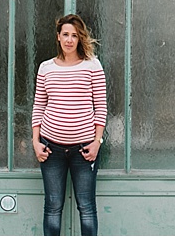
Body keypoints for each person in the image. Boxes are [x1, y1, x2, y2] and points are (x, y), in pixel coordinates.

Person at [32, 14, 108, 236]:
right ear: (58, 37)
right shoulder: (46, 68)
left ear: (80, 38)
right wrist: (35, 142)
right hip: (50, 149)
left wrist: (97, 142)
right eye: (65, 34)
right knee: (53, 207)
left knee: (86, 207)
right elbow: (38, 106)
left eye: (74, 35)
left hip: (84, 150)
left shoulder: (92, 66)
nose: (69, 40)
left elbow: (101, 106)